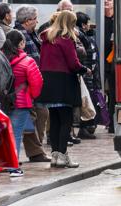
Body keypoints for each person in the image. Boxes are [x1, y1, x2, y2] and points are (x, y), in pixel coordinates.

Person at [37, 10, 90, 168]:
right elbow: (73, 63)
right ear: (70, 23)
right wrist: (84, 70)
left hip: (48, 80)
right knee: (66, 121)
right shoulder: (66, 39)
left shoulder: (47, 38)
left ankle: (55, 155)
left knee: (54, 120)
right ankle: (62, 155)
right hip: (64, 81)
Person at [1, 30, 43, 177]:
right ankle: (13, 168)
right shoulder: (28, 61)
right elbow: (37, 83)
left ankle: (0, 165)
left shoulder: (1, 58)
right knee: (16, 135)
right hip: (20, 103)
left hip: (3, 103)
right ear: (21, 44)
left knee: (4, 135)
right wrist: (30, 95)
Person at [14, 5, 50, 163]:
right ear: (28, 21)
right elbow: (30, 62)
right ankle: (35, 151)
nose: (37, 22)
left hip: (33, 83)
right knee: (36, 116)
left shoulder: (30, 34)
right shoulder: (21, 36)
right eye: (35, 19)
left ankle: (36, 151)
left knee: (37, 116)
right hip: (27, 86)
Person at [76, 11, 100, 139]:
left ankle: (86, 126)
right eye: (86, 24)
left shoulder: (84, 35)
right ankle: (83, 127)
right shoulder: (80, 36)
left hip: (87, 72)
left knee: (87, 100)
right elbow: (88, 54)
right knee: (85, 101)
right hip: (85, 73)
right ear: (83, 24)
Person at [103, 0, 116, 133]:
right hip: (100, 61)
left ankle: (112, 123)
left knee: (113, 93)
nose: (106, 1)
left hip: (113, 62)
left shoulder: (117, 19)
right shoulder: (99, 19)